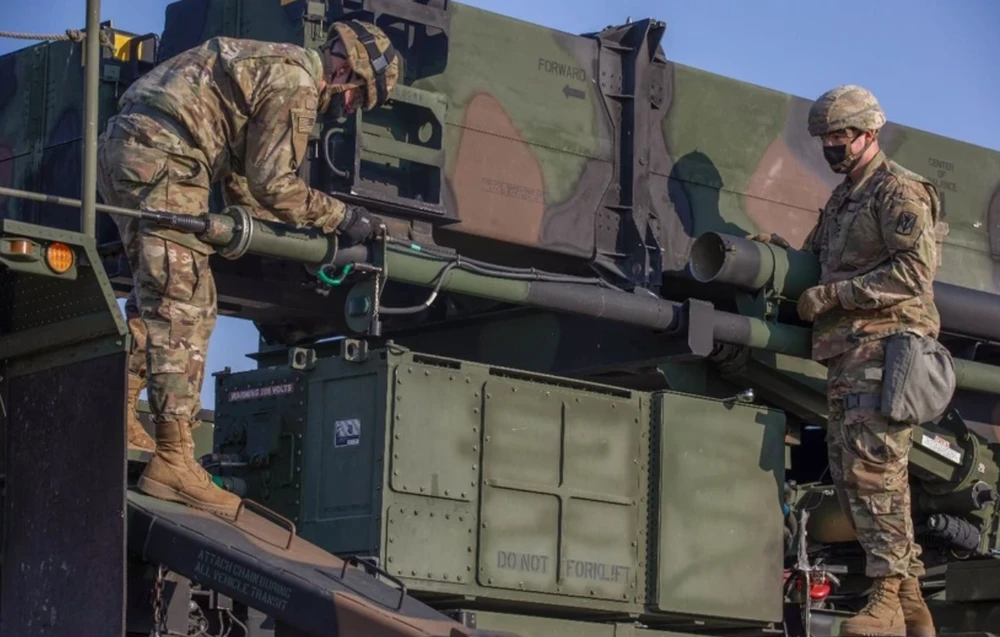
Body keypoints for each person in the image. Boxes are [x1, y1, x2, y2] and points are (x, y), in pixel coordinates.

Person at [96, 19, 399, 518]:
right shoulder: (300, 82)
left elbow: (241, 174)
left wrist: (270, 231)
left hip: (131, 148)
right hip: (167, 156)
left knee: (163, 294)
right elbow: (272, 182)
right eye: (358, 96)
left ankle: (119, 408)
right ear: (346, 67)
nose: (349, 108)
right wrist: (344, 219)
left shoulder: (274, 63)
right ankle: (174, 459)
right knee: (185, 302)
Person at [754, 85, 941, 637]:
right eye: (825, 138)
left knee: (873, 471)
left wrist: (834, 297)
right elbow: (817, 260)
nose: (832, 146)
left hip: (886, 348)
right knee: (857, 476)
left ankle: (885, 600)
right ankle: (911, 606)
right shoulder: (843, 198)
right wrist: (775, 254)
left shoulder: (897, 190)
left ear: (869, 133)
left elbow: (913, 274)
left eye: (841, 135)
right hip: (849, 353)